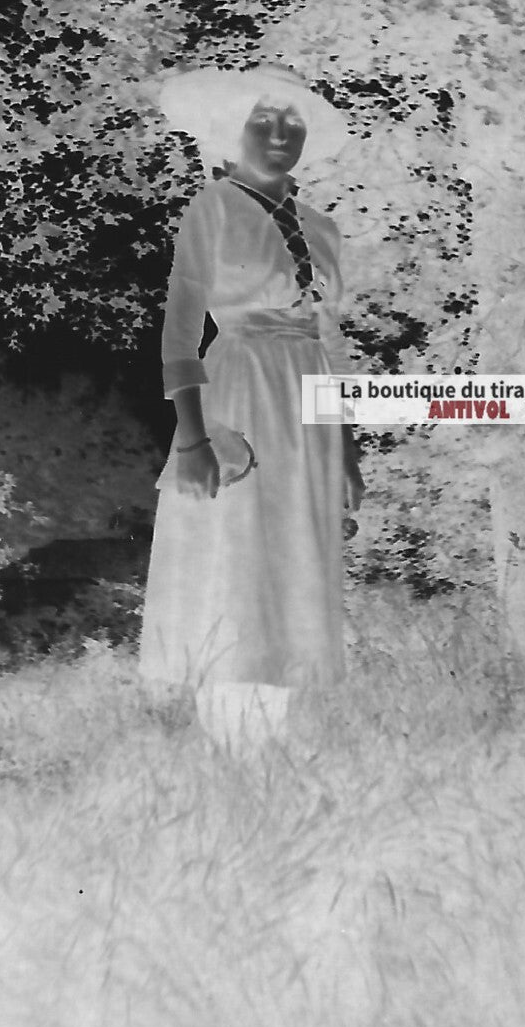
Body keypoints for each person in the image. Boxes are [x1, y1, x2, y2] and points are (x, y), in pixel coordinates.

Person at [139, 64, 363, 753]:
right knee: (237, 565)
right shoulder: (213, 208)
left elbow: (330, 340)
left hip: (309, 408)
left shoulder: (322, 228)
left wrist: (348, 449)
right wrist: (194, 441)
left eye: (292, 121)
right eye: (263, 119)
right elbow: (180, 333)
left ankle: (273, 744)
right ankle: (232, 747)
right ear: (234, 130)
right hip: (240, 392)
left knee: (291, 563)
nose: (279, 133)